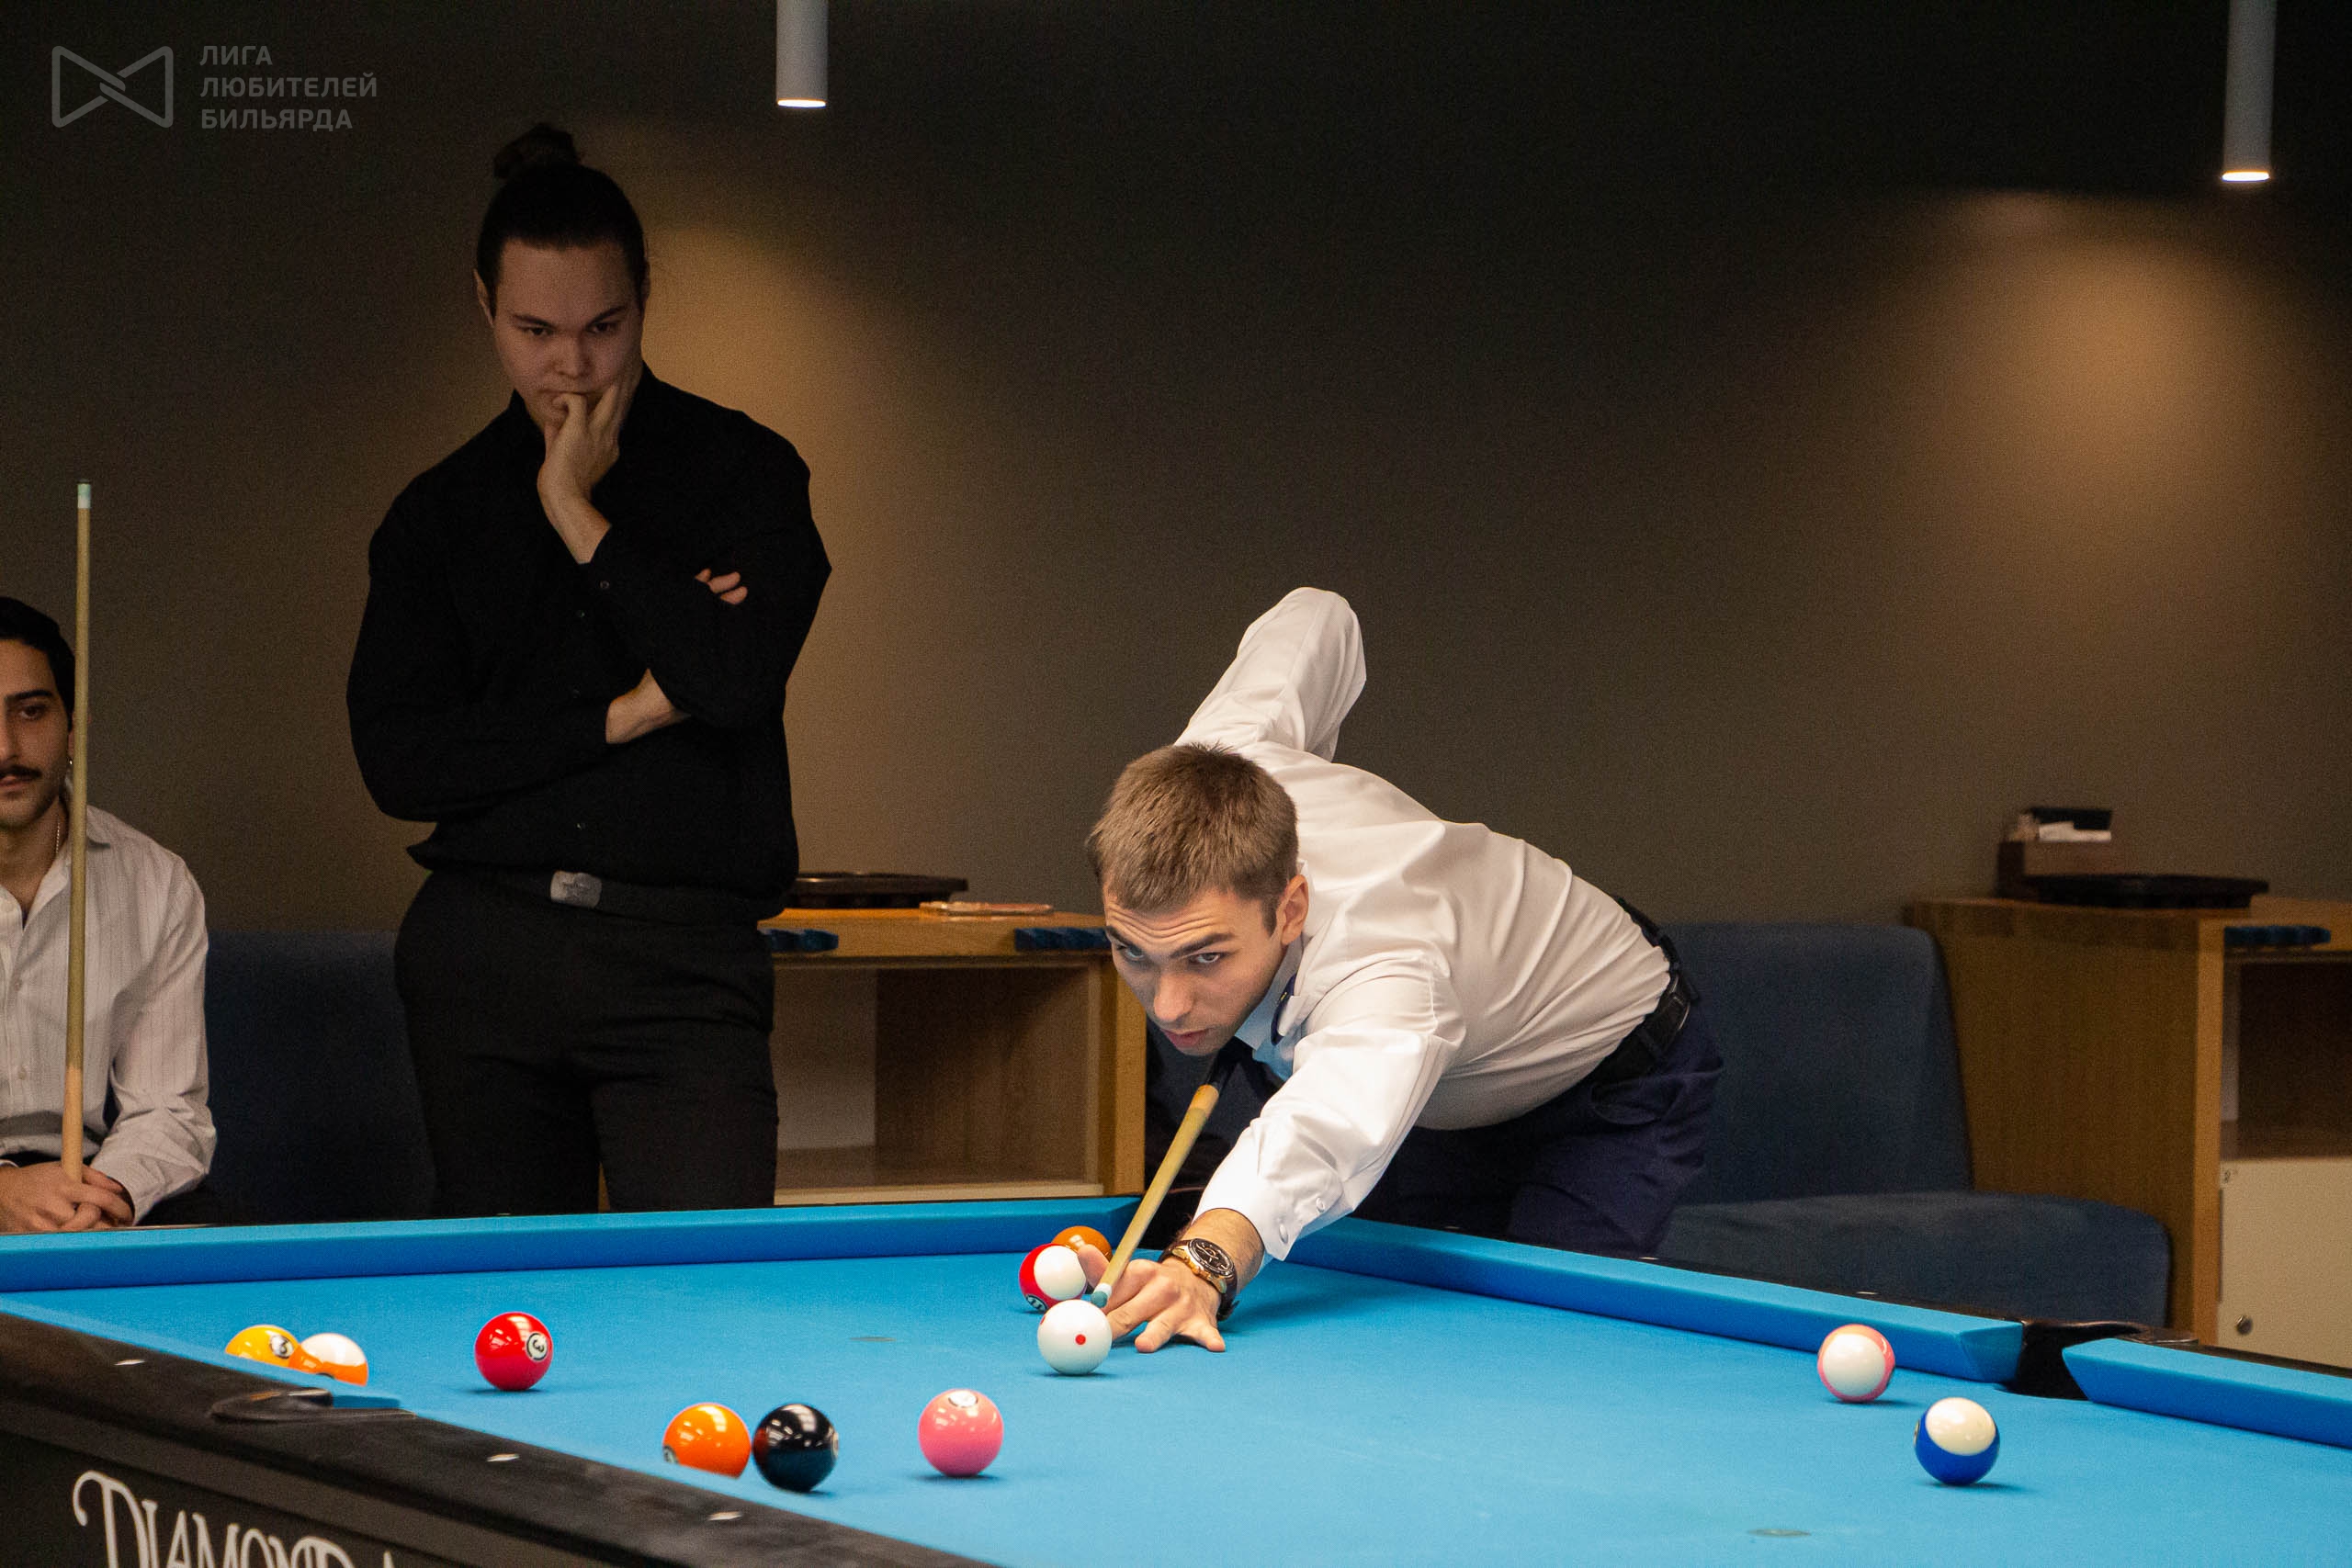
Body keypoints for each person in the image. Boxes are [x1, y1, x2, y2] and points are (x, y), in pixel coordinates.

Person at [347, 125, 829, 1217]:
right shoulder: (438, 514)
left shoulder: (745, 471)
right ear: (485, 306)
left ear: (644, 297)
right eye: (536, 331)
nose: (571, 366)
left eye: (603, 327)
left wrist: (576, 513)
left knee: (708, 1285)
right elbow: (401, 761)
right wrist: (622, 714)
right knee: (508, 1295)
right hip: (484, 950)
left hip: (683, 957)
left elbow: (730, 681)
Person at [1080, 587, 1719, 1352]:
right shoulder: (1225, 757)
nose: (1168, 1006)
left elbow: (1327, 1124)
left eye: (1206, 957)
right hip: (1439, 1091)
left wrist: (1203, 1260)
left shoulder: (1386, 959)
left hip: (1607, 1086)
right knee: (1385, 1331)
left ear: (1291, 907)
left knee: (1539, 1351)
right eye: (1133, 952)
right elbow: (1317, 616)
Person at [0, 597, 220, 1231]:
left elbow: (168, 1109)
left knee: (214, 1237)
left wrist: (107, 1197)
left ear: (73, 728)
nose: (6, 746)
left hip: (95, 1179)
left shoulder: (157, 883)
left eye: (31, 711)